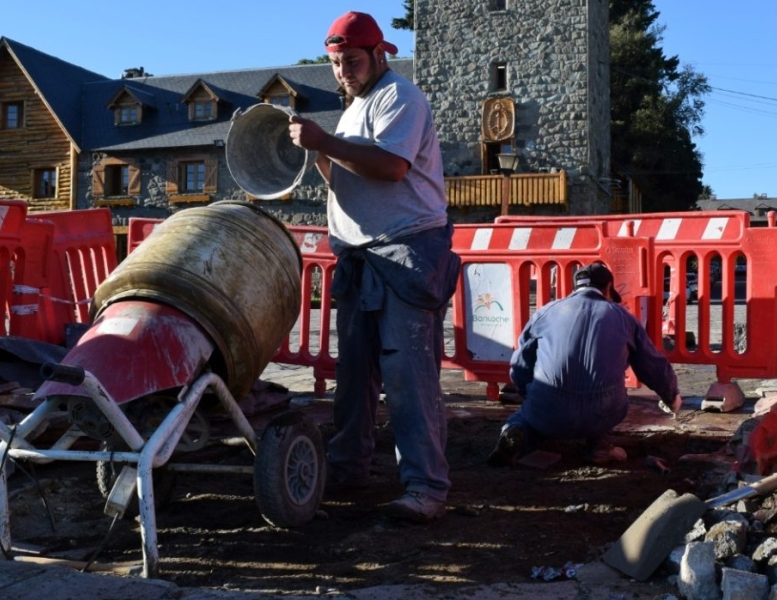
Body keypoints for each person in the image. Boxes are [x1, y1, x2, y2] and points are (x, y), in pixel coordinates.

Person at [288, 11, 459, 523]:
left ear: (379, 53)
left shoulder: (400, 97)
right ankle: (348, 465)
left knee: (408, 373)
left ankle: (425, 487)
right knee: (355, 371)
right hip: (362, 255)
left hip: (406, 251)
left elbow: (390, 167)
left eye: (352, 61)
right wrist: (316, 154)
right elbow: (345, 170)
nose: (343, 72)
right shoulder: (351, 112)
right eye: (336, 63)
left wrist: (323, 143)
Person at [488, 263, 683, 467]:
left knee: (527, 417)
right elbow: (653, 365)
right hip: (603, 412)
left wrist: (528, 393)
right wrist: (671, 397)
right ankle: (599, 447)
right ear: (608, 288)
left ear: (574, 288)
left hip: (548, 409)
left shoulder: (545, 313)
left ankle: (519, 432)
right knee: (615, 399)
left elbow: (520, 366)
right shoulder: (624, 318)